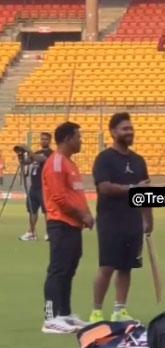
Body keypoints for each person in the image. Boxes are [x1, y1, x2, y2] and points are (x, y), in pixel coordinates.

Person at [88, 113, 153, 323]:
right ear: (113, 132)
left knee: (126, 267)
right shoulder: (105, 159)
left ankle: (119, 309)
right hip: (110, 221)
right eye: (125, 129)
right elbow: (104, 188)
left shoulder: (138, 160)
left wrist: (148, 218)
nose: (130, 132)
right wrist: (133, 188)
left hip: (132, 222)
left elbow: (146, 192)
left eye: (131, 128)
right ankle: (97, 311)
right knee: (107, 266)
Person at [41, 122, 94, 334]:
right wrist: (83, 214)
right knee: (58, 270)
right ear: (66, 139)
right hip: (60, 223)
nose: (81, 140)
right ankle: (50, 318)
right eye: (78, 137)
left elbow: (76, 195)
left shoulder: (70, 164)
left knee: (69, 270)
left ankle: (64, 313)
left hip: (74, 224)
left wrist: (86, 214)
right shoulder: (55, 163)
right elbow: (59, 198)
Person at [19, 132, 54, 241]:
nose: (43, 141)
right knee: (32, 210)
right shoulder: (37, 152)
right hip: (34, 186)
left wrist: (28, 151)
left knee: (46, 210)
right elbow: (27, 162)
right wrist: (21, 157)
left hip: (44, 186)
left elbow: (40, 159)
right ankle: (31, 232)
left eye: (46, 139)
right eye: (42, 139)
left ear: (50, 141)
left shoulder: (50, 153)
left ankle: (49, 232)